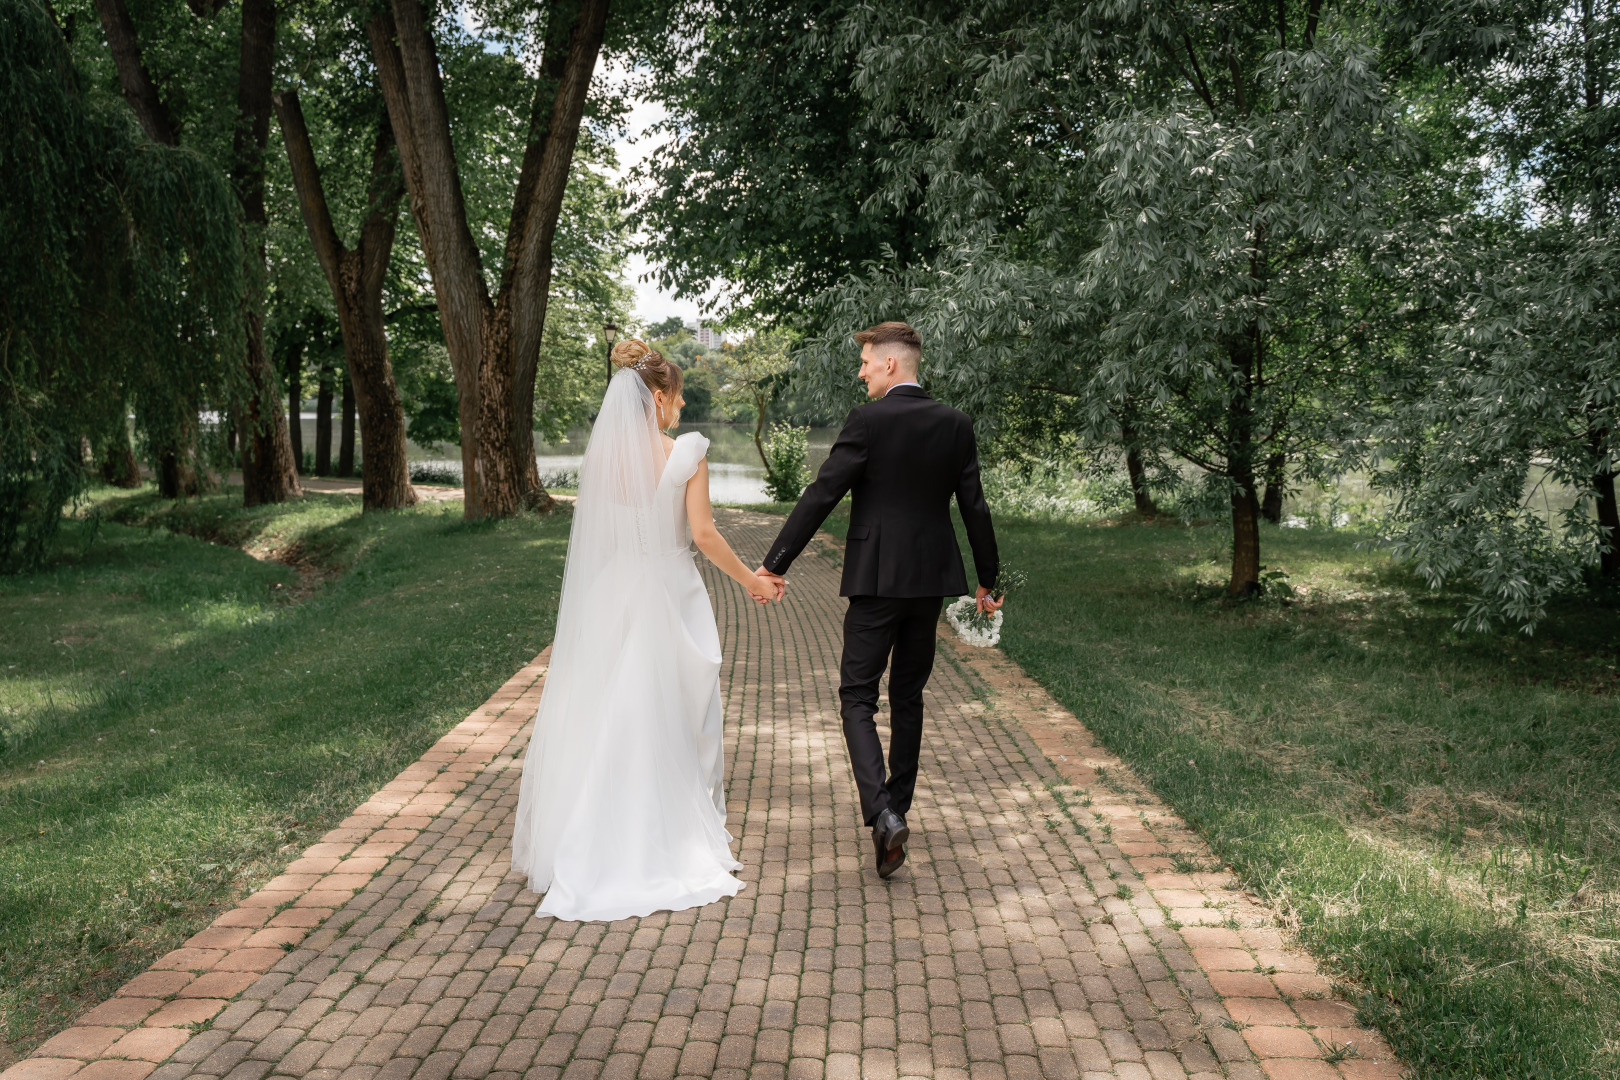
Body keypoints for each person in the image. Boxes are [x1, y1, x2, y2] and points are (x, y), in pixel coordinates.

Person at [511, 339, 783, 922]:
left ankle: (588, 837)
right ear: (658, 397)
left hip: (614, 591)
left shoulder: (606, 460)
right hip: (669, 592)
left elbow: (601, 536)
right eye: (679, 396)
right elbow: (704, 535)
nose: (682, 408)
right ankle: (670, 836)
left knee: (609, 710)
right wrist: (751, 582)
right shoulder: (685, 452)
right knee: (679, 710)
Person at [755, 321, 1000, 879]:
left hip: (875, 579)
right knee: (908, 694)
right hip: (931, 580)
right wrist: (988, 578)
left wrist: (774, 563)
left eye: (867, 361)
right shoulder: (956, 423)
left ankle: (883, 814)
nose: (861, 370)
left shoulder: (867, 421)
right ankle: (899, 807)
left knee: (857, 697)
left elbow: (823, 492)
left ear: (891, 364)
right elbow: (975, 507)